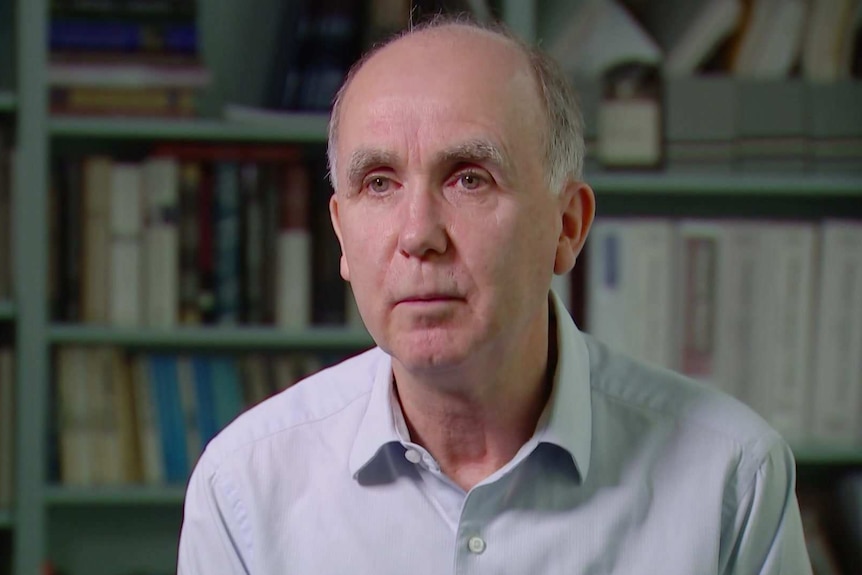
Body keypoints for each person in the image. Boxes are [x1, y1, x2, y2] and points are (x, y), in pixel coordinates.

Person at [178, 16, 813, 575]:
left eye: (469, 178)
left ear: (567, 227)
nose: (419, 234)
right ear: (341, 235)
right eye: (378, 182)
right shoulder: (244, 487)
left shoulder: (732, 477)